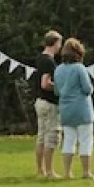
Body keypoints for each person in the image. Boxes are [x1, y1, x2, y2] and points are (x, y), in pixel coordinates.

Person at [54, 38, 94, 180]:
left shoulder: (58, 69)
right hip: (82, 109)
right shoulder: (80, 68)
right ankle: (86, 172)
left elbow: (56, 91)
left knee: (68, 141)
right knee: (85, 140)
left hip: (66, 109)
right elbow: (87, 89)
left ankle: (67, 172)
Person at [32, 31, 63, 179]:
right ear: (55, 42)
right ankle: (50, 171)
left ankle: (40, 169)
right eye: (59, 43)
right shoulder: (48, 61)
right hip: (49, 103)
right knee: (51, 137)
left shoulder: (40, 58)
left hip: (39, 102)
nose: (60, 47)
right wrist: (60, 87)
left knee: (41, 136)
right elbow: (45, 84)